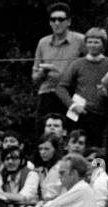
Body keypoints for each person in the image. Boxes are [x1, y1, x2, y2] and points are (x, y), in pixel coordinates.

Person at [33, 3, 87, 133]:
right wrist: (43, 72)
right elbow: (34, 78)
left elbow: (89, 67)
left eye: (61, 19)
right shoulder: (43, 43)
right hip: (47, 92)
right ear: (49, 22)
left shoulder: (80, 40)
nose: (57, 23)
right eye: (53, 20)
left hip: (71, 94)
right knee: (43, 135)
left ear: (68, 21)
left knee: (73, 132)